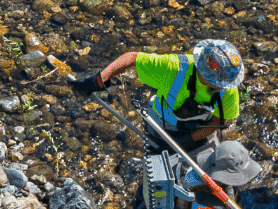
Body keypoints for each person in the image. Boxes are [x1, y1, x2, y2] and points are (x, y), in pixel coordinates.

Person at [69, 39, 245, 153]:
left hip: (199, 131)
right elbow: (132, 58)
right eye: (217, 82)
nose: (221, 86)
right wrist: (100, 79)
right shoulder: (174, 68)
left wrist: (186, 141)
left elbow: (217, 122)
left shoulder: (228, 87)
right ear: (202, 70)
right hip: (162, 126)